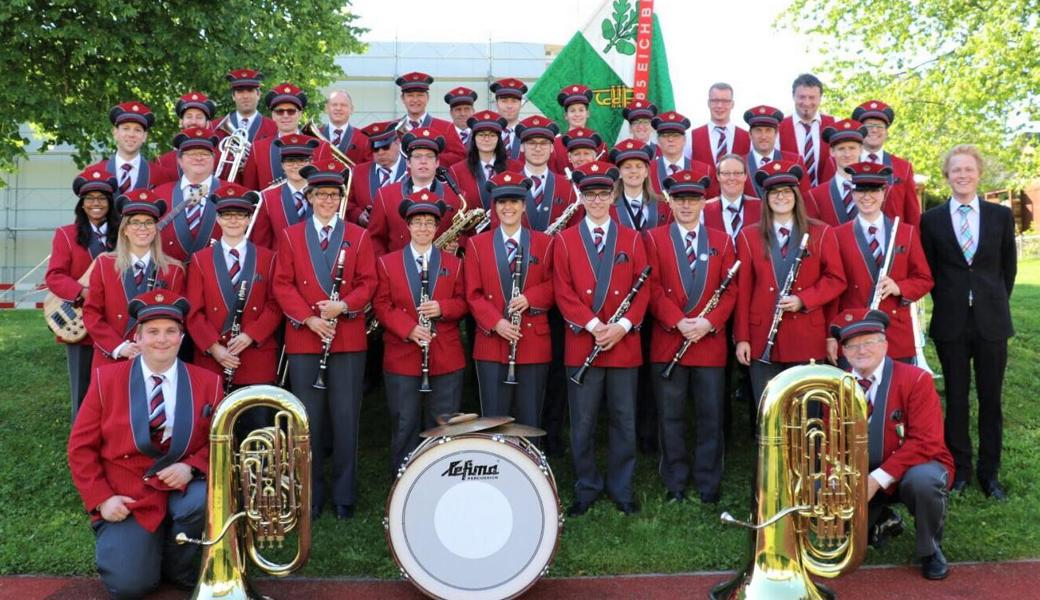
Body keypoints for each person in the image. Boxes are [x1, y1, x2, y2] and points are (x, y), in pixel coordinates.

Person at [68, 289, 221, 599]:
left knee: (201, 500)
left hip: (183, 488)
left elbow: (220, 441)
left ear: (182, 337)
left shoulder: (208, 381)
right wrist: (102, 499)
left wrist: (192, 467)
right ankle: (152, 550)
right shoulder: (105, 379)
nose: (161, 340)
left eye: (170, 331)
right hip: (129, 494)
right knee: (130, 586)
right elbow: (80, 448)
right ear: (138, 337)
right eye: (152, 332)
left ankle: (180, 567)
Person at [272, 158, 377, 519]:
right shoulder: (290, 236)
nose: (327, 201)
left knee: (346, 418)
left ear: (340, 200)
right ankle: (312, 494)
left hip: (346, 338)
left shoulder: (358, 236)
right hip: (305, 338)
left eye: (334, 196)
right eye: (321, 195)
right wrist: (310, 319)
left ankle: (344, 496)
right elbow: (282, 285)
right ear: (310, 198)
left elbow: (369, 283)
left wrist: (343, 306)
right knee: (309, 420)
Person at [920, 144, 1016, 500]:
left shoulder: (1000, 216)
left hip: (992, 321)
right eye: (956, 170)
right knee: (957, 400)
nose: (962, 175)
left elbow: (1008, 269)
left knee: (991, 399)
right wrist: (953, 301)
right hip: (951, 322)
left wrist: (990, 302)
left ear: (978, 174)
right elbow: (930, 271)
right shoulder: (931, 220)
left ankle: (990, 476)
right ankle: (959, 470)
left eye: (968, 169)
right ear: (948, 176)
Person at [553, 161, 649, 517]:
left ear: (613, 196)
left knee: (624, 420)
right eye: (589, 194)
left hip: (623, 344)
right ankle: (587, 485)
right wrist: (594, 326)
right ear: (581, 197)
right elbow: (562, 291)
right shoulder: (564, 240)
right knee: (583, 421)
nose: (596, 200)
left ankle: (622, 488)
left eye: (603, 194)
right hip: (584, 343)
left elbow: (644, 288)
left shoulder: (632, 238)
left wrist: (621, 326)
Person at [830, 308, 954, 580]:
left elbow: (926, 442)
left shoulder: (916, 379)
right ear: (844, 351)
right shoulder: (835, 385)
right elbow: (830, 441)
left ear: (885, 344)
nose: (861, 350)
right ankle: (882, 519)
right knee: (815, 488)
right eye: (852, 345)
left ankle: (930, 550)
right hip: (859, 474)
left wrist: (875, 480)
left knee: (925, 482)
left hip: (911, 470)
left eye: (869, 342)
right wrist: (834, 476)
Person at [645, 168, 737, 504]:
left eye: (693, 199)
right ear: (670, 200)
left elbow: (730, 292)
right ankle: (676, 483)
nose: (686, 205)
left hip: (708, 343)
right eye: (680, 199)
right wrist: (678, 321)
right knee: (670, 418)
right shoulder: (654, 238)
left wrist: (708, 323)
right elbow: (651, 288)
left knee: (711, 417)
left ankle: (709, 483)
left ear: (703, 202)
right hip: (670, 341)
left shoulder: (723, 241)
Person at [733, 161, 846, 406]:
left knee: (809, 410)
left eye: (786, 191)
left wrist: (803, 299)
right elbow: (743, 291)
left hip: (807, 335)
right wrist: (742, 337)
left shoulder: (821, 232)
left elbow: (836, 280)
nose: (780, 196)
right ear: (766, 198)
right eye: (774, 192)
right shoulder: (748, 235)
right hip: (762, 335)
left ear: (796, 195)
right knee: (769, 411)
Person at [373, 193, 468, 475]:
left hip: (445, 356)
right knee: (405, 421)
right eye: (418, 222)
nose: (424, 228)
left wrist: (443, 307)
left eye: (429, 222)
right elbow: (381, 305)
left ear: (437, 227)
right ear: (408, 226)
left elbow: (464, 302)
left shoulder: (455, 263)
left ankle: (440, 478)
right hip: (403, 355)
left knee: (444, 422)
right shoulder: (387, 263)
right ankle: (403, 480)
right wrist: (409, 328)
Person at [465, 172, 555, 426]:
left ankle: (529, 463)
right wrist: (496, 322)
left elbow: (555, 284)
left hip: (532, 341)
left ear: (525, 205)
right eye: (502, 202)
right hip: (492, 342)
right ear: (494, 206)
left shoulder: (545, 243)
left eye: (514, 201)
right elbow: (472, 293)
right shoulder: (476, 244)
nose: (508, 207)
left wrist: (530, 297)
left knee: (529, 418)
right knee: (494, 417)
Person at [185, 184, 281, 407]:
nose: (233, 221)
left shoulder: (268, 258)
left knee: (256, 426)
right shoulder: (201, 259)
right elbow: (193, 312)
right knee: (215, 429)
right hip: (214, 358)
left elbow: (275, 305)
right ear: (218, 219)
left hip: (255, 354)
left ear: (249, 220)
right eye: (227, 215)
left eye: (240, 215)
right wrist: (214, 347)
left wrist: (250, 335)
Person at [829, 162, 933, 365]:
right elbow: (833, 288)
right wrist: (832, 333)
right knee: (857, 395)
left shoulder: (905, 232)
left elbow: (925, 279)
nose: (866, 196)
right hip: (854, 331)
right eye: (860, 190)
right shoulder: (837, 235)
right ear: (853, 193)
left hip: (896, 333)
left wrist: (899, 287)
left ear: (884, 192)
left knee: (895, 393)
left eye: (873, 190)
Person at [609, 138, 670, 454]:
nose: (633, 171)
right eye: (627, 167)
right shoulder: (608, 206)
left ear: (648, 171)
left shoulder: (663, 206)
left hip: (658, 298)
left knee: (652, 373)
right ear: (619, 172)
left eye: (639, 166)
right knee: (625, 374)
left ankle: (650, 436)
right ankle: (624, 435)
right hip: (622, 301)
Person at [46, 167, 120, 419]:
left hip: (113, 324)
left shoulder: (123, 235)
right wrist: (83, 292)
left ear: (110, 203)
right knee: (81, 388)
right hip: (79, 322)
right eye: (90, 198)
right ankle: (81, 441)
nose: (96, 203)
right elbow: (54, 276)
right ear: (82, 203)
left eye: (102, 198)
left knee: (114, 387)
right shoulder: (66, 235)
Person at [83, 190, 187, 369]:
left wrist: (153, 347)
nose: (142, 228)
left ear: (156, 229)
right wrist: (120, 347)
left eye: (148, 223)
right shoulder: (105, 265)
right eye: (135, 222)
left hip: (157, 360)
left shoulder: (173, 270)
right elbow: (91, 313)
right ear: (125, 229)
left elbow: (179, 320)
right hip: (112, 358)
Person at [368, 129, 464, 256]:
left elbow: (467, 236)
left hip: (443, 272)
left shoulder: (457, 197)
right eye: (417, 156)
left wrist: (458, 248)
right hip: (398, 272)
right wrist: (386, 267)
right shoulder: (385, 195)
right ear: (408, 162)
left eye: (429, 156)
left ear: (437, 163)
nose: (423, 161)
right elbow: (376, 239)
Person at [152, 128, 228, 263]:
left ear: (213, 159)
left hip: (215, 277)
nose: (199, 158)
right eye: (192, 153)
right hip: (169, 276)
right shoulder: (158, 195)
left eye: (205, 154)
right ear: (180, 160)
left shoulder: (232, 193)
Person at [242, 83, 328, 191]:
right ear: (273, 115)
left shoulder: (321, 147)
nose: (285, 115)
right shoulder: (258, 148)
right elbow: (249, 189)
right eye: (279, 111)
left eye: (291, 111)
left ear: (300, 114)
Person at [852, 100, 922, 226]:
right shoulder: (843, 164)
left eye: (879, 126)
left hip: (893, 242)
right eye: (868, 126)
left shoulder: (903, 167)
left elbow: (912, 215)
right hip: (850, 240)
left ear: (887, 132)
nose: (874, 130)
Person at [249, 135, 321, 249]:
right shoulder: (267, 198)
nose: (296, 166)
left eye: (302, 161)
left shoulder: (324, 195)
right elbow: (262, 244)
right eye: (290, 161)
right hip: (281, 264)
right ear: (282, 165)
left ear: (311, 162)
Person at [512, 115, 577, 232]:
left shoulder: (568, 187)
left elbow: (574, 231)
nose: (538, 149)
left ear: (552, 148)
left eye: (543, 143)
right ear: (522, 147)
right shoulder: (509, 186)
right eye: (531, 143)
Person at [90, 101, 172, 192]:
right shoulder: (94, 172)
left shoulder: (161, 175)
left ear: (144, 136)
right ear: (115, 133)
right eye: (126, 128)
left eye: (137, 130)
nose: (131, 134)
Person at [395, 71, 467, 166]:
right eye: (410, 95)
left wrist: (431, 158)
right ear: (402, 99)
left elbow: (460, 156)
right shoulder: (392, 128)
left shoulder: (445, 127)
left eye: (420, 95)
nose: (415, 100)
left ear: (428, 98)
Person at [805, 119, 868, 226]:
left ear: (861, 149)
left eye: (852, 148)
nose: (847, 154)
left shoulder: (877, 189)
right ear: (831, 152)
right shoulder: (815, 196)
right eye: (841, 149)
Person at [448, 109, 509, 219]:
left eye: (492, 135)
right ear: (473, 138)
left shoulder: (514, 168)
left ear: (499, 139)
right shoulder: (457, 171)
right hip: (472, 234)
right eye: (481, 135)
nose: (486, 139)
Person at [778, 74, 836, 186]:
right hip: (790, 198)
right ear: (793, 97)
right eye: (802, 97)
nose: (807, 103)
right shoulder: (779, 128)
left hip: (826, 196)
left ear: (820, 98)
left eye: (812, 97)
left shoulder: (833, 125)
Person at [347, 120, 408, 227]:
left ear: (398, 142)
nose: (380, 152)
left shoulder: (413, 170)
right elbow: (347, 202)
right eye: (375, 148)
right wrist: (359, 215)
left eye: (385, 147)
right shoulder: (358, 171)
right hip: (369, 236)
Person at [742, 105, 810, 200]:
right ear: (750, 134)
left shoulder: (795, 161)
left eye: (768, 130)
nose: (763, 136)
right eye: (758, 131)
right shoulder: (739, 163)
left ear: (776, 133)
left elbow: (805, 198)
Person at [648, 111, 715, 198]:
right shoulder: (646, 170)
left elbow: (713, 204)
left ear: (685, 140)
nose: (670, 139)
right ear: (658, 140)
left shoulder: (704, 171)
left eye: (676, 135)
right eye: (665, 135)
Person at [156, 92, 218, 178]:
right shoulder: (163, 162)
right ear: (181, 122)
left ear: (207, 124)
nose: (193, 122)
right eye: (189, 117)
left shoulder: (220, 158)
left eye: (199, 117)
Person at [703, 153, 762, 243]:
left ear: (745, 176)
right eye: (726, 173)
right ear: (718, 176)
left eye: (737, 173)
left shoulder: (761, 207)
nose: (732, 178)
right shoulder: (703, 209)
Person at [688, 83, 750, 166]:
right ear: (708, 103)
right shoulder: (691, 137)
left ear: (732, 104)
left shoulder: (748, 137)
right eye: (715, 100)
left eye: (725, 101)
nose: (719, 105)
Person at [211, 68, 278, 146]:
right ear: (233, 96)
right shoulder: (215, 127)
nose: (245, 96)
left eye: (250, 91)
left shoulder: (274, 128)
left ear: (258, 95)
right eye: (240, 91)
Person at [549, 85, 606, 174]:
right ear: (566, 116)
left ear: (587, 114)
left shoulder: (600, 144)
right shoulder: (555, 145)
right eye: (572, 111)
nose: (577, 114)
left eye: (581, 110)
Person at [320, 89, 371, 166]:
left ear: (351, 109)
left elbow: (368, 169)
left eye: (343, 105)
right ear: (326, 109)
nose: (338, 108)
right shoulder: (314, 135)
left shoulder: (364, 138)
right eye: (334, 105)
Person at [491, 78, 528, 160]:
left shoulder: (528, 133)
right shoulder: (483, 133)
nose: (509, 106)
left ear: (520, 104)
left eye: (514, 101)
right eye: (504, 101)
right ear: (496, 103)